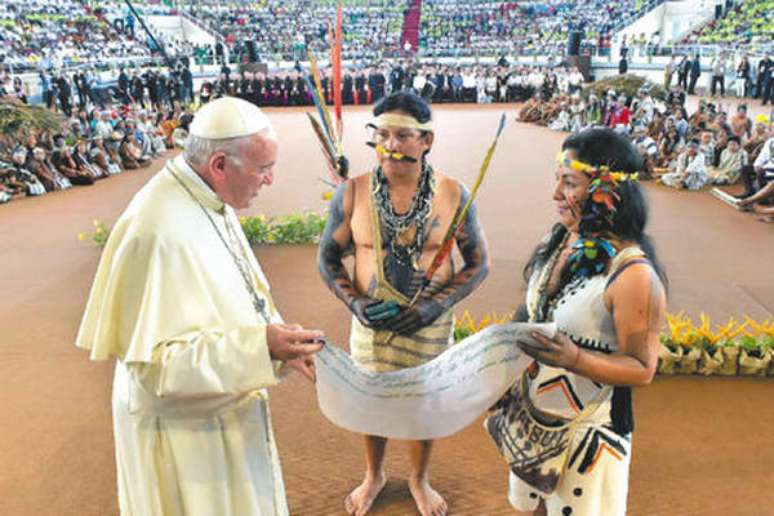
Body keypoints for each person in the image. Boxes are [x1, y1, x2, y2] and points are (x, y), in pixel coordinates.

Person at [74, 97, 325, 516]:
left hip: (222, 408)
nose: (270, 180)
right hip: (185, 438)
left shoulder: (205, 195)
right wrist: (261, 348)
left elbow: (242, 287)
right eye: (263, 169)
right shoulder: (155, 230)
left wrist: (282, 342)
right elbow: (155, 367)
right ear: (221, 165)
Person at [317, 91, 489, 516]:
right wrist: (355, 303)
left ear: (426, 141)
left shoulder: (453, 194)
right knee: (370, 400)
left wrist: (434, 307)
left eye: (403, 136)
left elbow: (479, 262)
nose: (391, 146)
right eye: (382, 136)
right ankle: (374, 475)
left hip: (428, 326)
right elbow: (327, 258)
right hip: (371, 325)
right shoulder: (353, 193)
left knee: (422, 402)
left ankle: (418, 478)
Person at [497, 128, 666, 515]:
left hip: (588, 435)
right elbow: (534, 312)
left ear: (606, 192)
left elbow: (643, 368)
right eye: (556, 179)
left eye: (569, 182)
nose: (555, 194)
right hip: (536, 422)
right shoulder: (558, 240)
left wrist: (575, 358)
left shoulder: (634, 275)